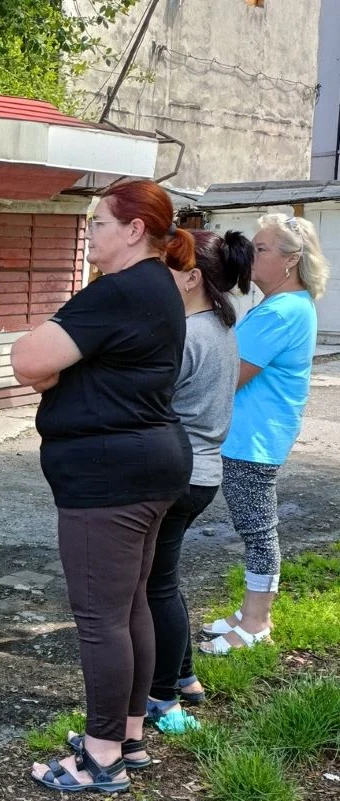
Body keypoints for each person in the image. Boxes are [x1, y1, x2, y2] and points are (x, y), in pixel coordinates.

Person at [11, 178, 194, 793]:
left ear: (134, 230)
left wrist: (43, 345)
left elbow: (29, 362)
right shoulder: (158, 288)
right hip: (149, 463)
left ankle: (101, 757)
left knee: (101, 618)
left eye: (100, 223)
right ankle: (130, 735)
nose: (91, 233)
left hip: (109, 476)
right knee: (129, 605)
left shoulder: (118, 292)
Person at [200, 214, 331, 655]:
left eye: (262, 249)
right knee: (255, 526)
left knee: (258, 530)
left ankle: (257, 622)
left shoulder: (283, 309)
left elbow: (231, 374)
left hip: (254, 438)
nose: (251, 256)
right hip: (254, 434)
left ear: (291, 260)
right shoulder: (282, 305)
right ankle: (250, 612)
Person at [145, 230, 253, 729]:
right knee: (162, 582)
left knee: (153, 588)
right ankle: (185, 678)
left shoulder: (188, 334)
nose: (157, 277)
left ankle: (162, 697)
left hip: (178, 473)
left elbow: (149, 404)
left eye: (167, 268)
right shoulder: (222, 327)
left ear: (192, 279)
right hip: (201, 473)